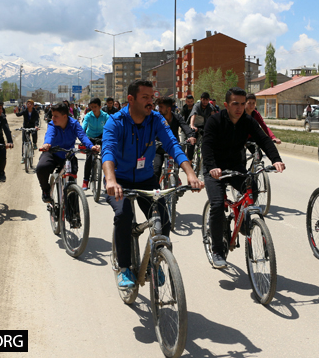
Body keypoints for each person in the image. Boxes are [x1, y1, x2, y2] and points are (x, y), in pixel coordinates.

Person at [103, 80, 202, 289]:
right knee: (124, 215)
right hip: (119, 180)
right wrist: (111, 180)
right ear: (131, 99)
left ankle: (156, 261)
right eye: (145, 98)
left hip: (146, 179)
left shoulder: (155, 119)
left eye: (152, 97)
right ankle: (124, 268)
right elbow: (108, 151)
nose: (151, 102)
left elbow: (172, 145)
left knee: (163, 219)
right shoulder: (115, 122)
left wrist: (191, 174)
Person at [203, 87, 285, 268]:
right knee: (217, 205)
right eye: (235, 104)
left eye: (242, 104)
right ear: (226, 105)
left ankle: (245, 219)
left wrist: (276, 160)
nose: (239, 108)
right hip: (214, 168)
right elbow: (206, 147)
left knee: (251, 188)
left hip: (235, 166)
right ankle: (217, 250)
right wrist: (212, 167)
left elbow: (263, 140)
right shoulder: (214, 121)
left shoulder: (247, 121)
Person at [37, 103, 98, 202]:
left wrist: (91, 146)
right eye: (52, 115)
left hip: (68, 155)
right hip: (53, 153)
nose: (53, 118)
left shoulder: (74, 124)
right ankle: (45, 191)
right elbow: (49, 135)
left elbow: (82, 136)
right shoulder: (52, 124)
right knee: (41, 168)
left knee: (71, 182)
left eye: (56, 116)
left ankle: (74, 213)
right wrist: (47, 144)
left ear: (65, 116)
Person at [153, 97, 197, 182]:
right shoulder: (157, 118)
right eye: (159, 107)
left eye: (161, 107)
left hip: (173, 147)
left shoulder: (177, 117)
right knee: (156, 170)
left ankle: (175, 179)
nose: (159, 109)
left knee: (177, 167)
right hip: (159, 148)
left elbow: (184, 126)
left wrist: (190, 136)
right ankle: (156, 192)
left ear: (169, 109)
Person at [81, 97, 109, 190]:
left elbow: (110, 126)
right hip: (90, 137)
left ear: (100, 107)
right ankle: (85, 180)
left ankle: (106, 180)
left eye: (95, 107)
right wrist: (82, 137)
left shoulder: (105, 116)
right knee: (89, 158)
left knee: (106, 157)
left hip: (101, 136)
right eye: (91, 107)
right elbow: (84, 126)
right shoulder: (88, 116)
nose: (93, 109)